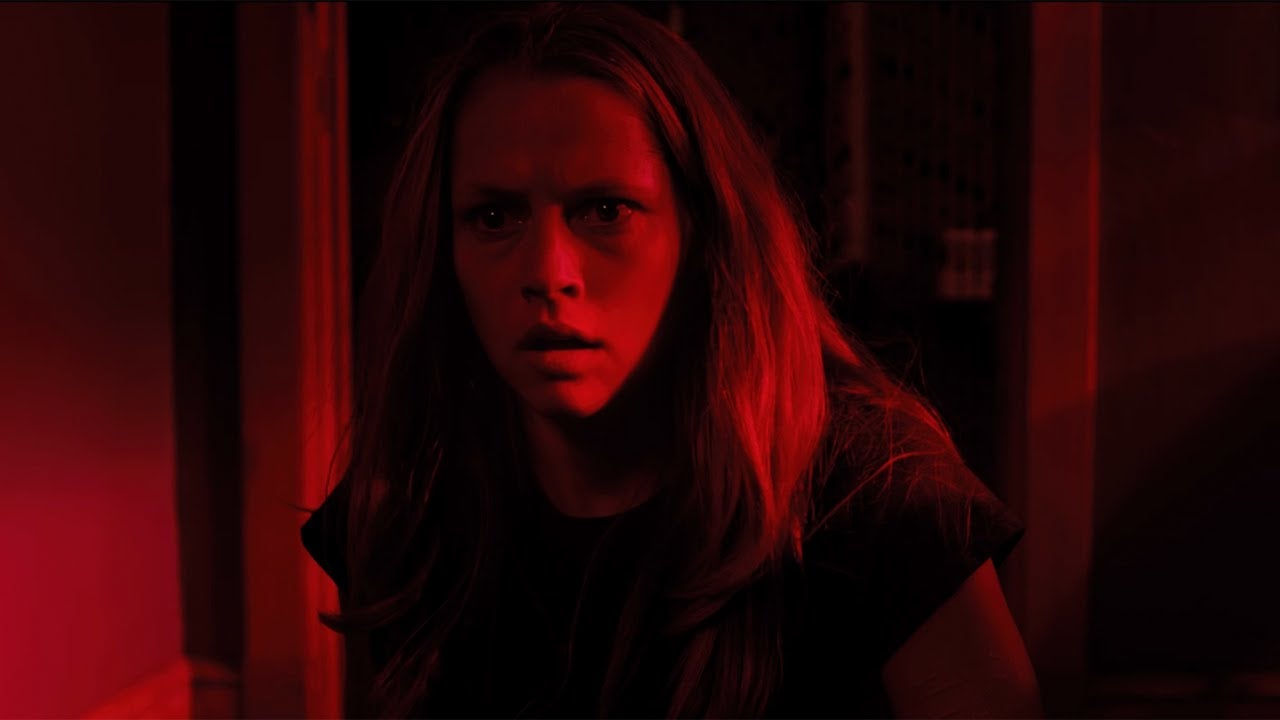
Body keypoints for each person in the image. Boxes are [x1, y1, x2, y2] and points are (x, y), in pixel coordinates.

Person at [302, 3, 1042, 717]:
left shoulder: (876, 494)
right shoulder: (415, 498)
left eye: (605, 211)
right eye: (494, 217)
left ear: (704, 234)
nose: (549, 270)